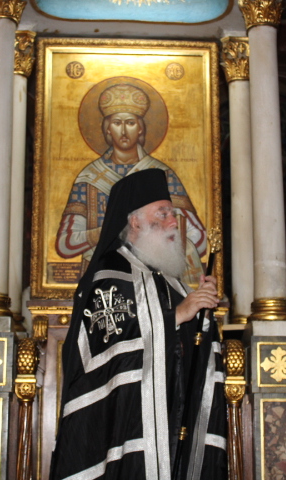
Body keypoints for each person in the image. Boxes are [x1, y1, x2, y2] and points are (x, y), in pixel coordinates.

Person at [49, 169, 227, 480]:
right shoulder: (110, 274)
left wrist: (202, 313)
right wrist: (178, 315)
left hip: (171, 419)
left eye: (172, 214)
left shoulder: (170, 281)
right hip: (126, 423)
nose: (173, 222)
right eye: (163, 213)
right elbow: (111, 349)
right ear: (135, 222)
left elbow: (188, 346)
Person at [55, 82, 207, 284]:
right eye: (117, 123)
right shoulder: (89, 178)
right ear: (107, 129)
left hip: (157, 276)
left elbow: (200, 240)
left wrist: (160, 240)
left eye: (131, 123)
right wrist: (111, 231)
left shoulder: (163, 176)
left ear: (141, 128)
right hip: (105, 279)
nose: (124, 131)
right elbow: (65, 244)